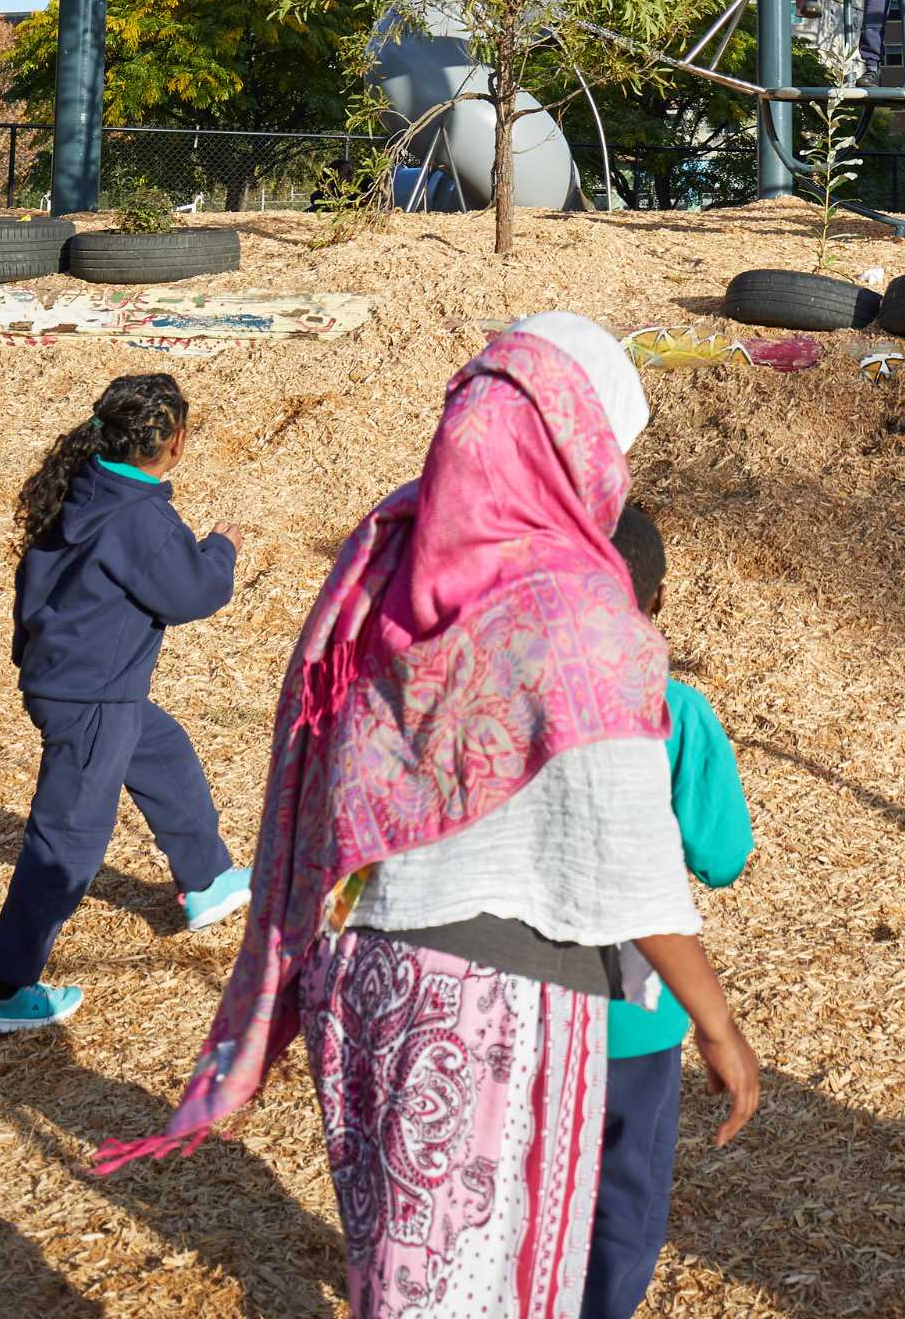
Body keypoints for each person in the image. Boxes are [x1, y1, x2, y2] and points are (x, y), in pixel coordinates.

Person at [101, 313, 761, 1319]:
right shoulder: (574, 604)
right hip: (497, 1006)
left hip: (364, 978)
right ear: (578, 442)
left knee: (403, 1284)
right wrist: (713, 1022)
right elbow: (625, 855)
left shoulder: (391, 558)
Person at [0, 373, 245, 1035]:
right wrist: (221, 548)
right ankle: (5, 989)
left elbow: (36, 581)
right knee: (65, 841)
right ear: (175, 443)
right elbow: (190, 595)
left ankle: (207, 880)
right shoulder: (140, 519)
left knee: (162, 750)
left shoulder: (82, 484)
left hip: (75, 682)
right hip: (92, 699)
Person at [583, 503, 755, 1319]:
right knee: (623, 1195)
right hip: (635, 1012)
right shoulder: (678, 712)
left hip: (510, 998)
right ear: (657, 598)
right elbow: (722, 855)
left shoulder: (495, 694)